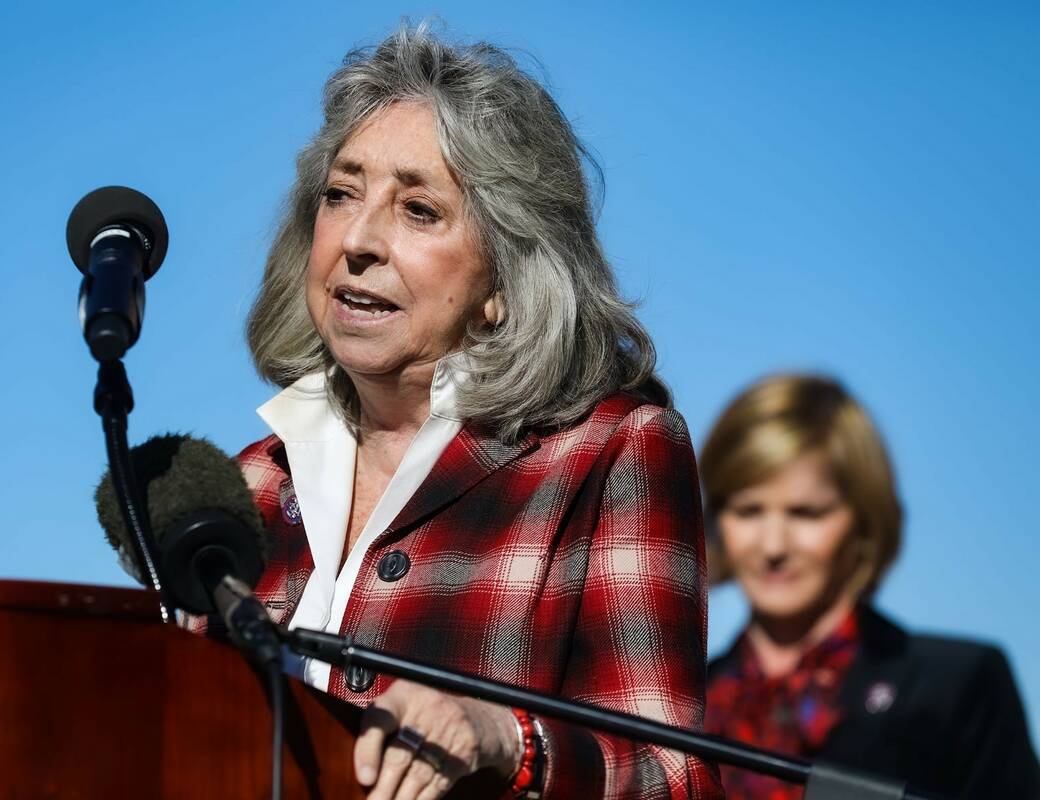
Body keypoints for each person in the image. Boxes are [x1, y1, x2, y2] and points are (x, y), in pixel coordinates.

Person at [216, 25, 722, 800]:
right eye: (341, 194)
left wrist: (505, 740)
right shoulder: (248, 483)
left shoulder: (612, 453)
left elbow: (676, 781)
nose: (357, 239)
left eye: (419, 210)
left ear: (505, 277)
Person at [700, 374, 1039, 799]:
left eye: (806, 513)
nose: (773, 545)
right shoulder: (682, 704)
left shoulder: (956, 687)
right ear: (716, 521)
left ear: (863, 521)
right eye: (749, 511)